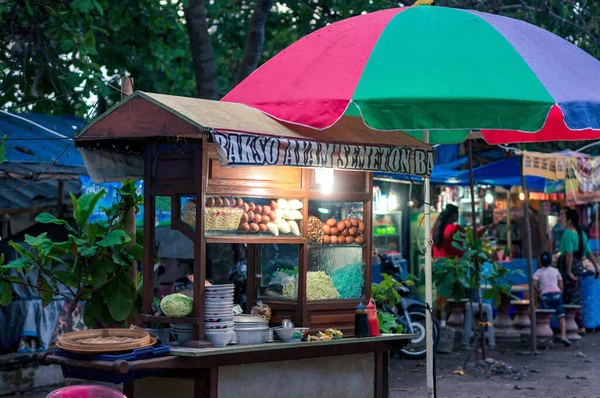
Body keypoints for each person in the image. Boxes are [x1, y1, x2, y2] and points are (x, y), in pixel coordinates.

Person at [559, 209, 600, 333]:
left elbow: (569, 255)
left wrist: (568, 271)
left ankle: (575, 326)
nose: (562, 219)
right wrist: (597, 266)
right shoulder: (581, 233)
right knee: (577, 296)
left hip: (570, 266)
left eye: (564, 217)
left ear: (569, 220)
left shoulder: (567, 234)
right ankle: (579, 325)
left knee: (569, 296)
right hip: (578, 265)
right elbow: (588, 253)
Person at [534, 251, 571, 347]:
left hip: (545, 296)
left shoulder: (538, 272)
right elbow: (561, 283)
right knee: (561, 316)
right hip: (556, 294)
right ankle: (563, 336)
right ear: (551, 261)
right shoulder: (555, 271)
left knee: (545, 318)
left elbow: (534, 283)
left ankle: (546, 337)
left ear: (540, 262)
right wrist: (560, 292)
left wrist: (538, 292)